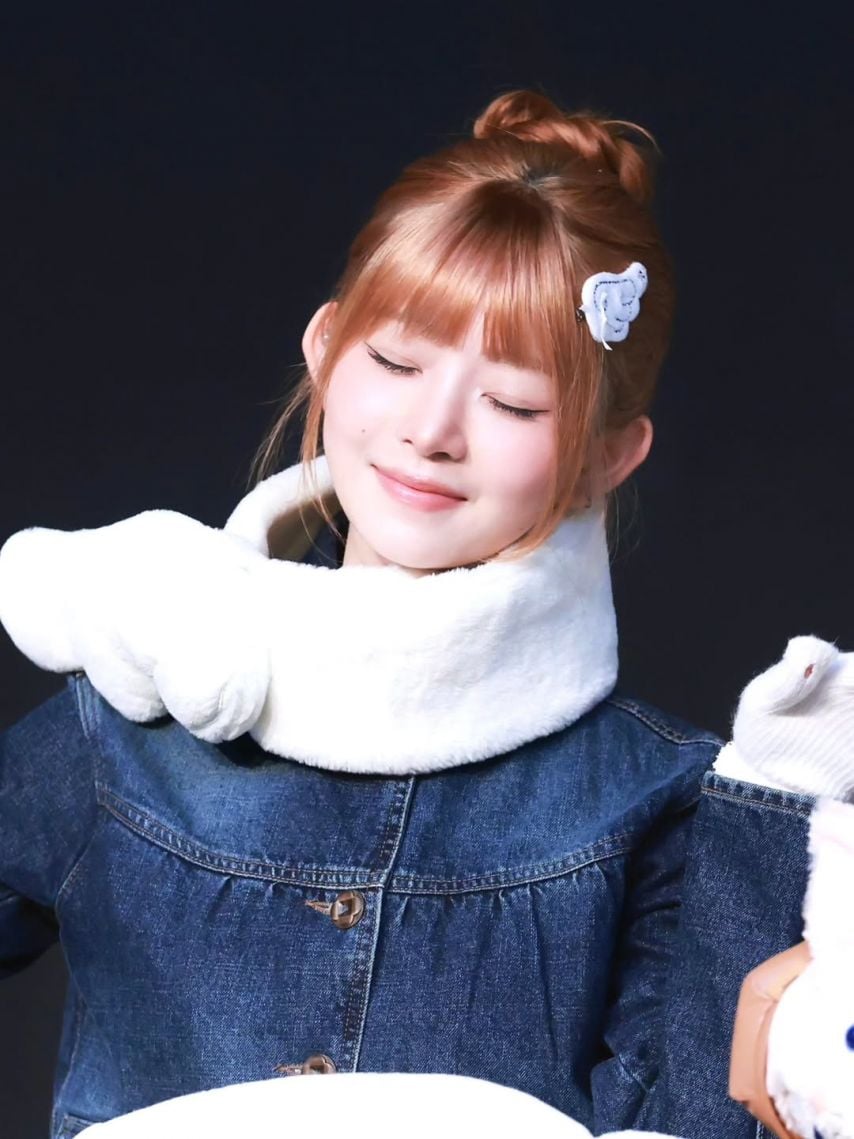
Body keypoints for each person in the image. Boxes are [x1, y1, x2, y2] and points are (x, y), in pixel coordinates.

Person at [0, 89, 831, 1139]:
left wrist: (774, 822)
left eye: (513, 402)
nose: (432, 429)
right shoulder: (126, 710)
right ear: (325, 346)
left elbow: (702, 1123)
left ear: (608, 456)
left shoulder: (656, 798)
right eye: (396, 361)